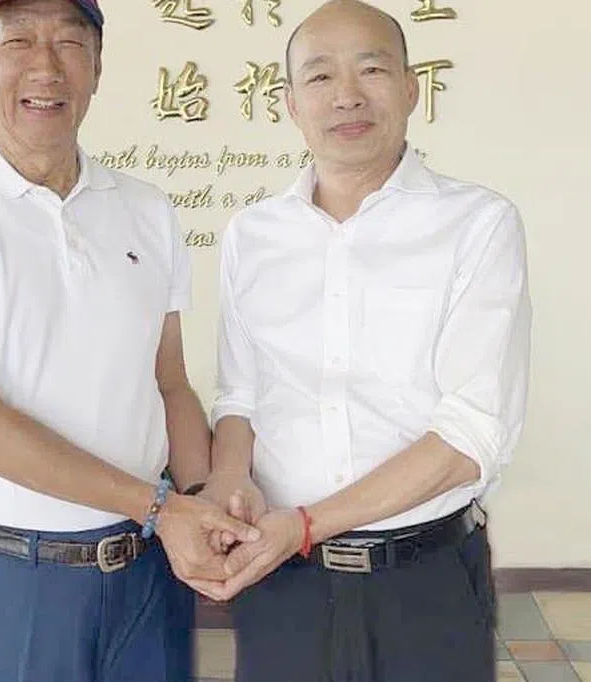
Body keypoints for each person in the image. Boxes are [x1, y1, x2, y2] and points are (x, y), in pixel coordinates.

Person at [0, 1, 259, 680]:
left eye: (70, 43)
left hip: (145, 576)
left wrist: (201, 500)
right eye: (17, 41)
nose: (45, 67)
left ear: (98, 67)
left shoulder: (145, 208)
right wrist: (160, 507)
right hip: (3, 578)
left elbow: (168, 383)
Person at [196, 1, 532, 680]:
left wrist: (307, 523)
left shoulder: (477, 224)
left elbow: (470, 436)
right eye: (320, 76)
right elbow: (240, 397)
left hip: (424, 578)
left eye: (371, 69)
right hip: (283, 582)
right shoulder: (253, 235)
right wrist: (229, 479)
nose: (346, 95)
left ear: (411, 89)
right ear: (290, 104)